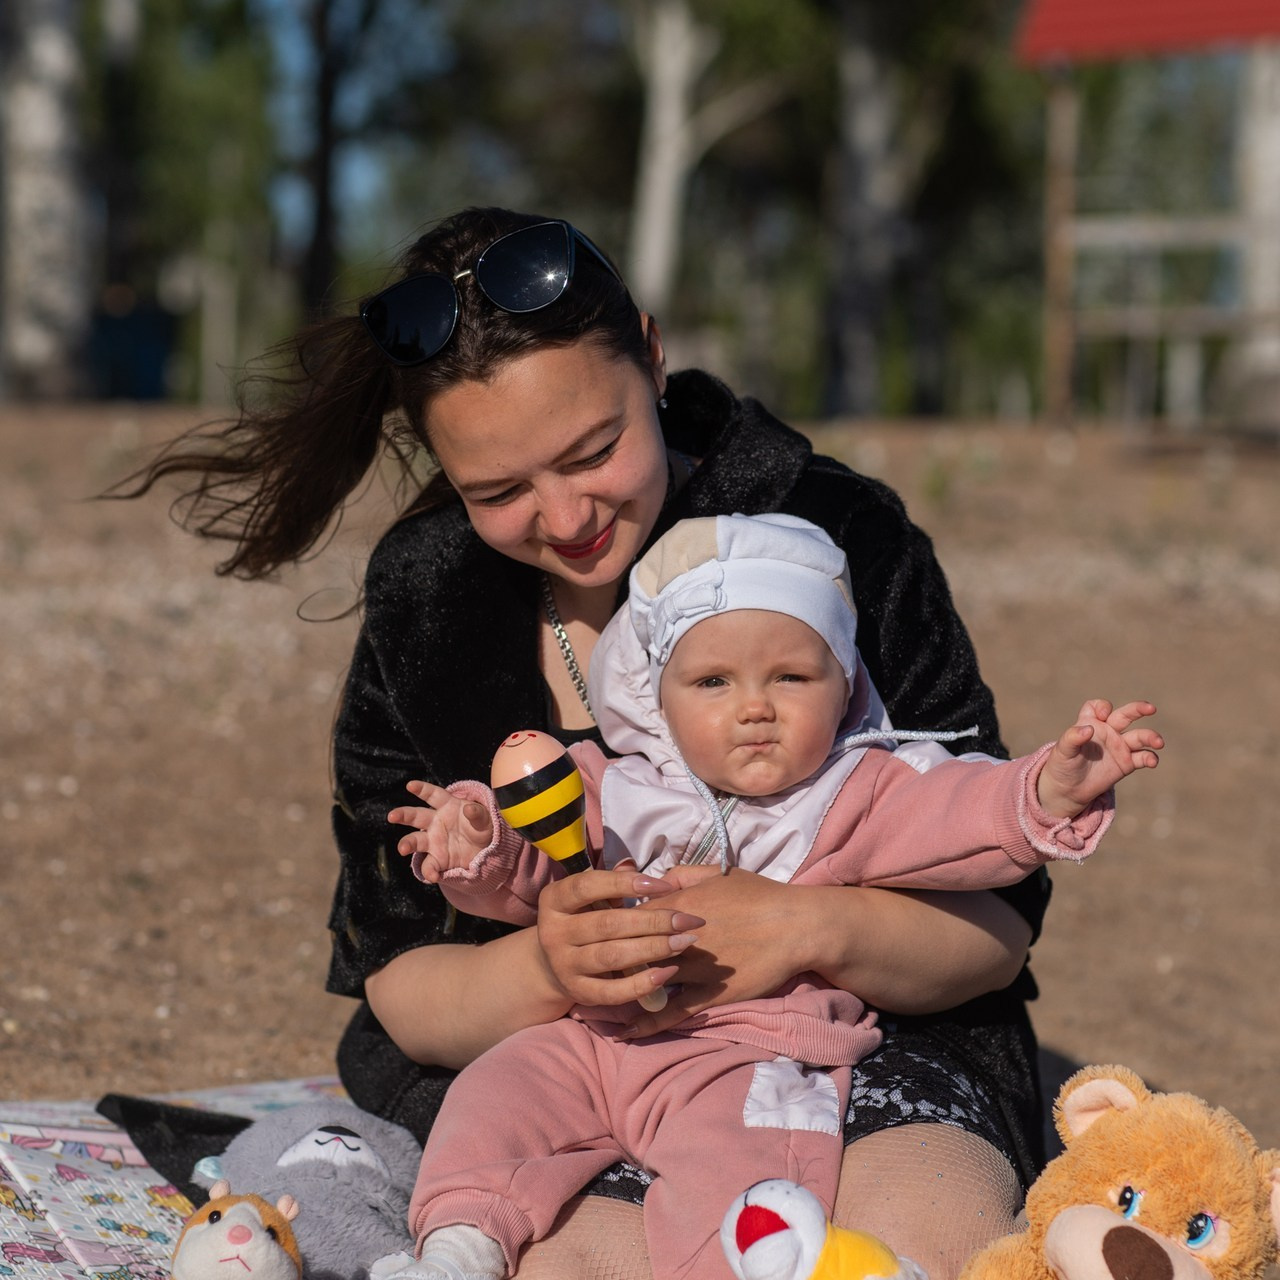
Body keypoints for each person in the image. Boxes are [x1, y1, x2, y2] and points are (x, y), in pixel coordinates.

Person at [117, 206, 1056, 1279]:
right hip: (560, 1067)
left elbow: (996, 930)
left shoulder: (831, 533)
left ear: (651, 357)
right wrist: (548, 966)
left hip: (868, 1035)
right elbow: (398, 979)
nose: (565, 519)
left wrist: (803, 925)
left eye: (595, 451)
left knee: (922, 1245)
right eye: (498, 491)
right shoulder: (426, 598)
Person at [384, 512, 1162, 1280]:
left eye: (790, 677)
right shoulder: (613, 784)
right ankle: (459, 1246)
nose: (754, 707)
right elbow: (532, 878)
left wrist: (1047, 792)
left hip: (748, 1048)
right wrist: (476, 844)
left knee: (734, 1180)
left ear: (844, 685)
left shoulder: (857, 790)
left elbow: (959, 814)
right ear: (657, 697)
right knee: (496, 1092)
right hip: (591, 1036)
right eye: (712, 682)